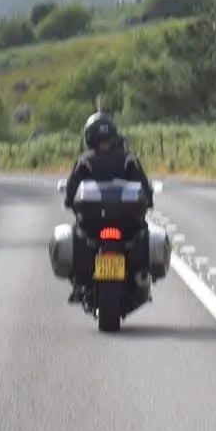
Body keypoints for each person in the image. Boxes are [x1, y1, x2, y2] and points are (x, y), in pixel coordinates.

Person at [62, 111, 154, 300]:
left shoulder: (84, 160)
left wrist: (69, 201)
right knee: (141, 232)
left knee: (78, 233)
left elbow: (71, 189)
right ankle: (139, 276)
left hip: (93, 222)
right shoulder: (128, 158)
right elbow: (143, 186)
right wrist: (149, 201)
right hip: (126, 222)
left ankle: (79, 283)